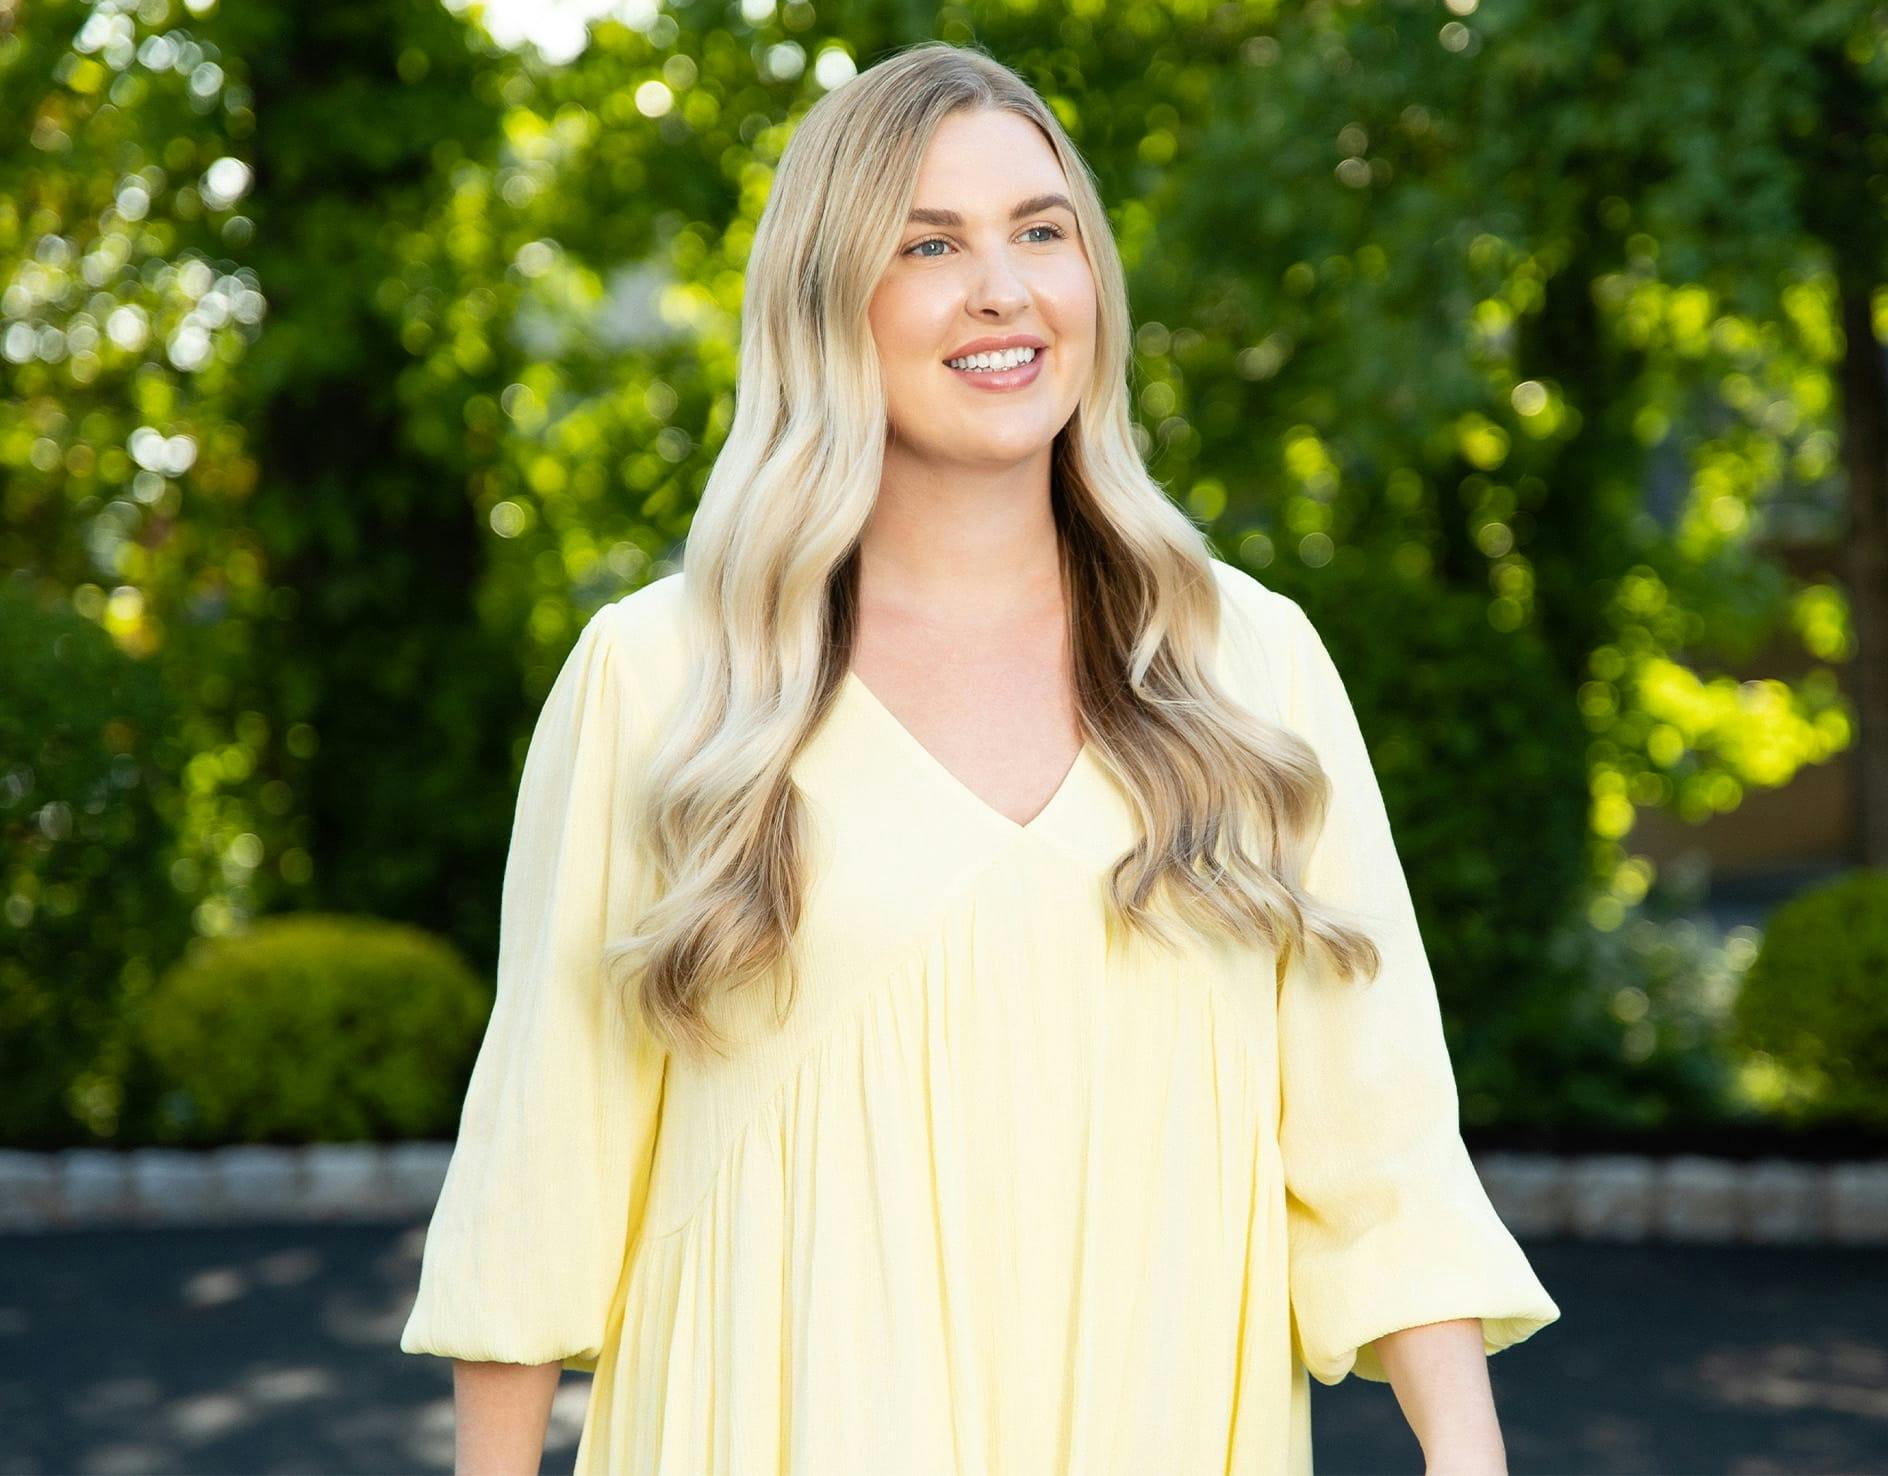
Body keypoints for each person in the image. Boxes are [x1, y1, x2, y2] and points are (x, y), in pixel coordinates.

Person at [399, 38, 1561, 1476]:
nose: (1001, 287)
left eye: (1041, 232)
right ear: (828, 298)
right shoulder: (667, 678)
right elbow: (542, 1167)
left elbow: (1378, 1134)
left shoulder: (1245, 666)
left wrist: (1467, 1454)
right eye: (930, 243)